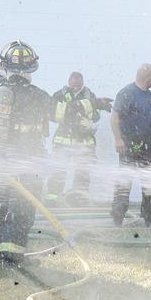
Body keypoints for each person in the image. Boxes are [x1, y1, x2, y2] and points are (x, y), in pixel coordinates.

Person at [0, 40, 53, 262]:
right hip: (32, 162)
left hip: (6, 160)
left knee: (9, 206)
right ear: (31, 68)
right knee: (25, 207)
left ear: (3, 65)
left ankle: (8, 256)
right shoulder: (41, 95)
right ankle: (12, 255)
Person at [111, 63, 151, 226]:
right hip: (128, 145)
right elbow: (114, 118)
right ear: (148, 77)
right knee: (124, 184)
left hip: (147, 147)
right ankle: (117, 219)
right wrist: (118, 139)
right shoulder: (126, 93)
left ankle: (150, 220)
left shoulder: (150, 97)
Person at [47, 71, 107, 205]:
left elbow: (95, 115)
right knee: (58, 170)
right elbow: (52, 114)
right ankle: (52, 199)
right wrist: (74, 116)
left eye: (78, 83)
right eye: (73, 83)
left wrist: (90, 125)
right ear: (68, 81)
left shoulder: (90, 95)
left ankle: (78, 199)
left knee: (83, 172)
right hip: (63, 140)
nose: (75, 85)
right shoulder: (60, 95)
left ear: (82, 83)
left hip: (84, 141)